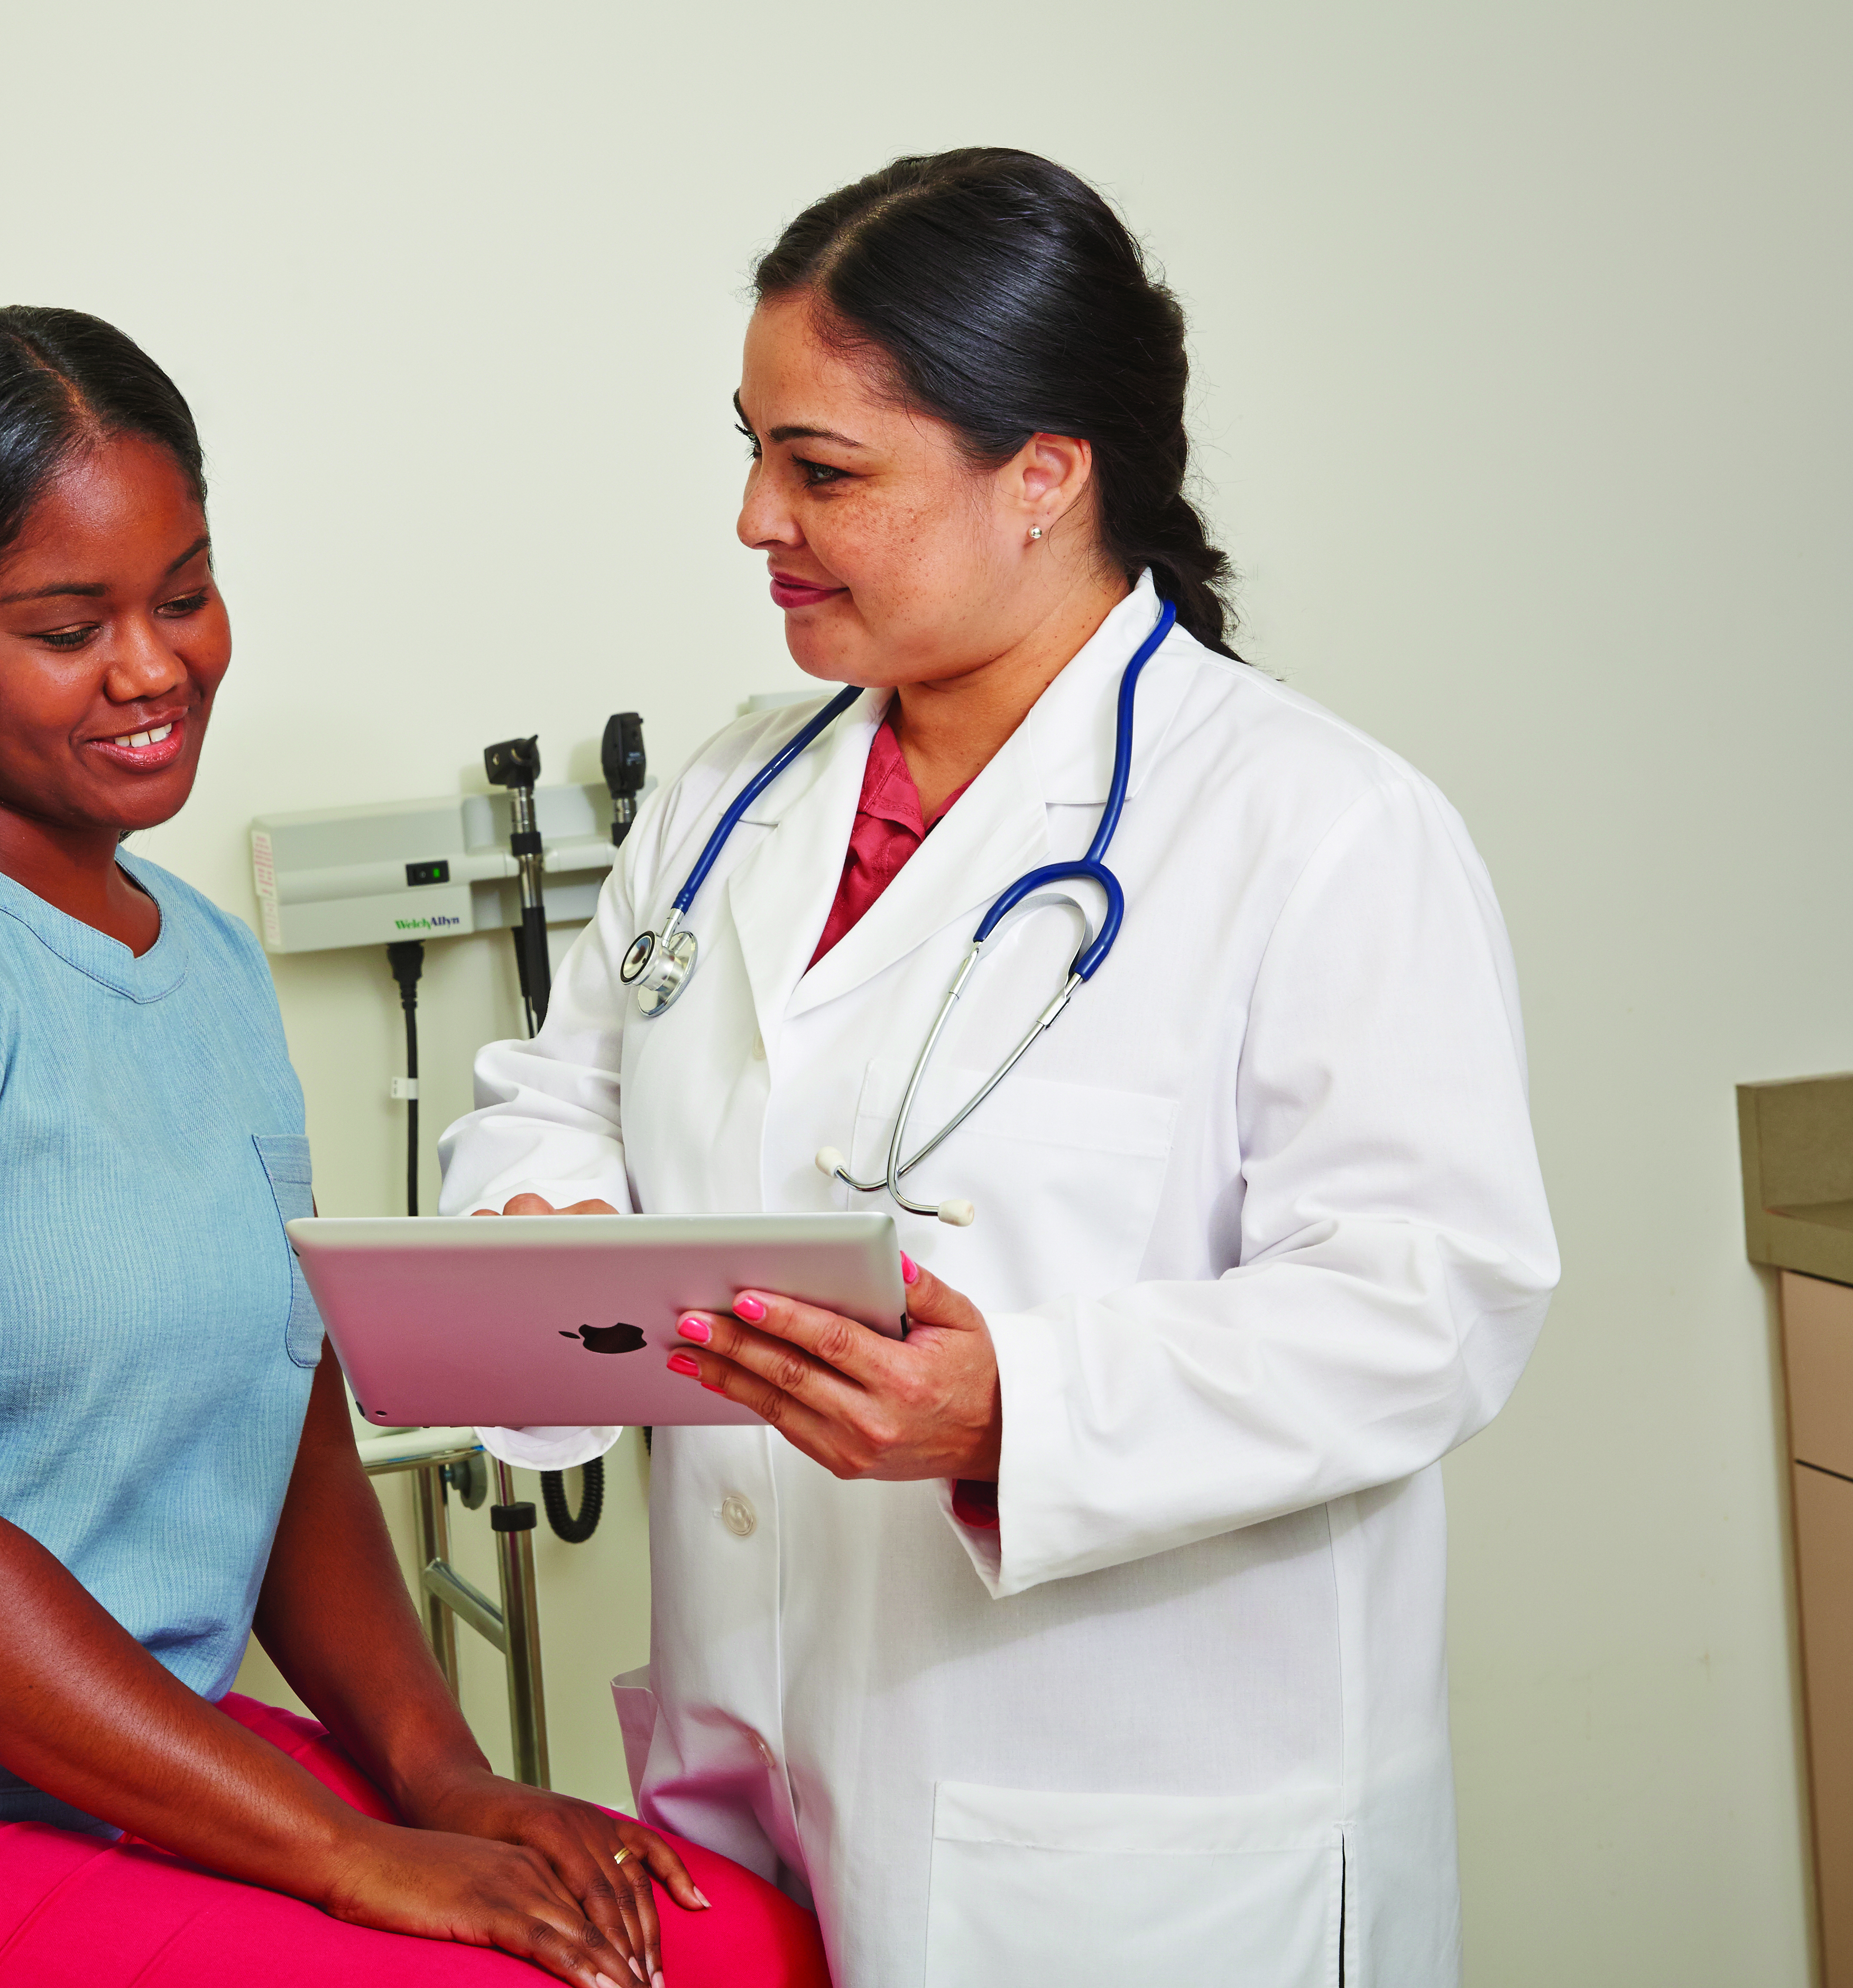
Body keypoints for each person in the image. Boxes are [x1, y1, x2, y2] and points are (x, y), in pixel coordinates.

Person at [0, 308, 827, 1988]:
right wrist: (347, 1857)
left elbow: (282, 1431)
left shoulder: (196, 961)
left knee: (744, 1950)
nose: (151, 666)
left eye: (183, 593)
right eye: (65, 625)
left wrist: (442, 1775)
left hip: (89, 1780)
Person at [441, 151, 1560, 1987]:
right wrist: (546, 1213)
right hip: (756, 1773)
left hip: (1131, 1832)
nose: (751, 518)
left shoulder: (1316, 827)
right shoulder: (733, 797)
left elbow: (1431, 1300)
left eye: (822, 472)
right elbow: (561, 1090)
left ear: (1046, 477)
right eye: (753, 451)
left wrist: (1019, 1410)